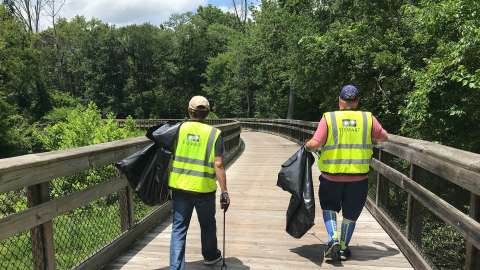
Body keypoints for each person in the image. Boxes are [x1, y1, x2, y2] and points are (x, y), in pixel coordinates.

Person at [305, 85, 388, 261]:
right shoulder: (368, 119)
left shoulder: (329, 118)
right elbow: (383, 137)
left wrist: (307, 145)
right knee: (351, 214)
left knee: (329, 207)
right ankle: (343, 249)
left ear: (340, 101)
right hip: (359, 179)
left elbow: (315, 143)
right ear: (356, 102)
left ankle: (333, 238)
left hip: (331, 177)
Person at [168, 96, 230, 270]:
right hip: (204, 189)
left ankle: (176, 267)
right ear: (208, 113)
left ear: (189, 111)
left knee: (179, 228)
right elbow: (218, 164)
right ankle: (210, 256)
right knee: (208, 224)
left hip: (180, 187)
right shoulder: (214, 134)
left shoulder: (178, 129)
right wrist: (224, 191)